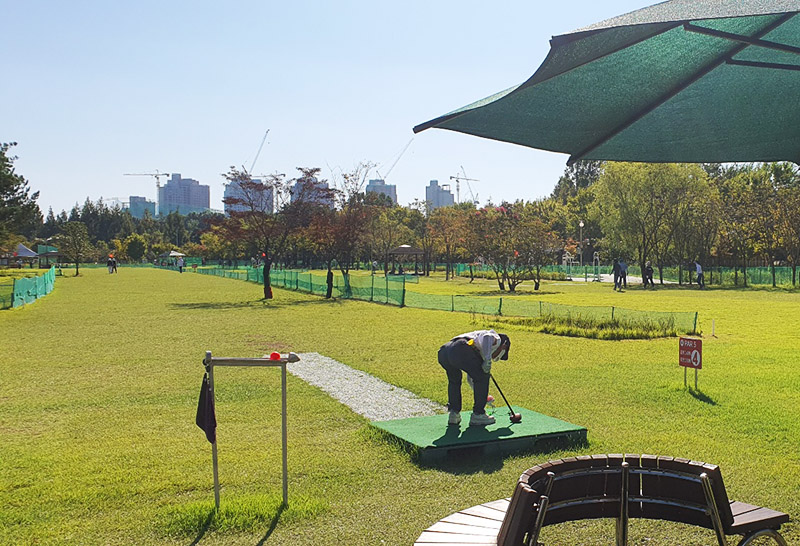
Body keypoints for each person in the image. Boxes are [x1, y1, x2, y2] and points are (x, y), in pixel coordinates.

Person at [437, 329, 511, 427]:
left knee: (454, 380)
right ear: (504, 346)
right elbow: (487, 337)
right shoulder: (497, 338)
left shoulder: (479, 346)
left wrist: (484, 397)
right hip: (460, 348)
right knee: (483, 377)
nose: (495, 358)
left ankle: (454, 415)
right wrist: (487, 360)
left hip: (444, 352)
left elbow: (471, 378)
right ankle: (478, 415)